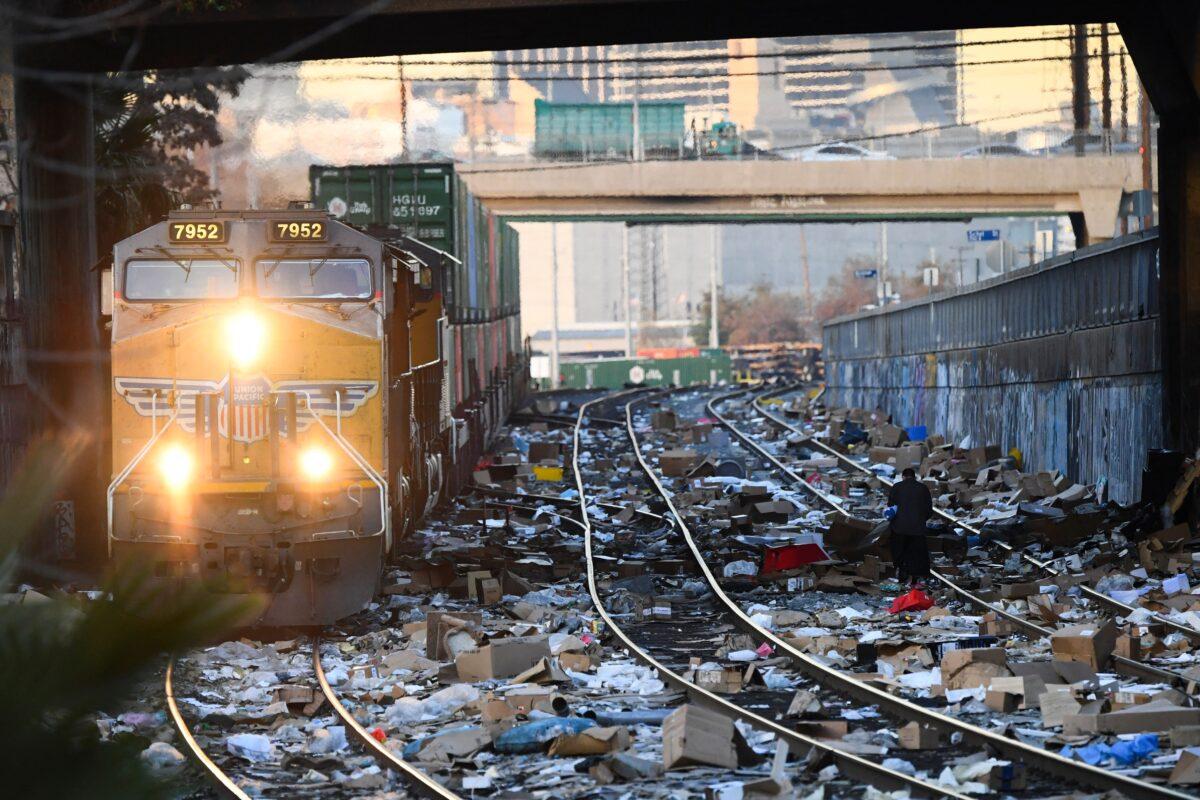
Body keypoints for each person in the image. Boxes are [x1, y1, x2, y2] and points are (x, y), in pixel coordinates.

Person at [887, 467, 933, 586]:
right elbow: (929, 510)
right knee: (916, 553)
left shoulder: (896, 487)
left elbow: (891, 508)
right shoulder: (923, 488)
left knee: (899, 551)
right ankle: (915, 577)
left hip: (899, 528)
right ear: (915, 477)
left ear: (903, 476)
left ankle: (902, 572)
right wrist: (920, 520)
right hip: (917, 529)